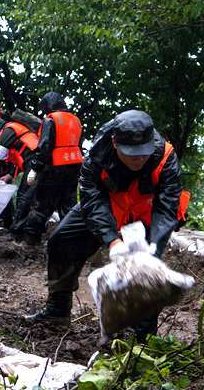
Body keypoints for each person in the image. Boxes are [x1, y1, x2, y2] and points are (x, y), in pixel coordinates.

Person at [25, 110, 189, 336]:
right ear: (115, 143)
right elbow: (91, 199)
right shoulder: (96, 156)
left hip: (145, 212)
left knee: (147, 272)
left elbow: (167, 206)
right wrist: (112, 240)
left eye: (143, 153)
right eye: (131, 154)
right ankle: (57, 310)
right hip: (107, 206)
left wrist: (152, 250)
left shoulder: (165, 156)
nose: (138, 159)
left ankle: (141, 338)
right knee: (61, 240)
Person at [20, 92, 84, 243]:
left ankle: (31, 240)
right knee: (68, 206)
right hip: (74, 167)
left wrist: (35, 168)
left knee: (41, 205)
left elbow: (45, 146)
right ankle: (72, 241)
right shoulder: (76, 120)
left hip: (54, 168)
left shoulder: (51, 120)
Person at [0, 115, 40, 242]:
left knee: (23, 196)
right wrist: (9, 175)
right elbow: (22, 155)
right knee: (34, 198)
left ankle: (16, 233)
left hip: (35, 162)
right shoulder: (14, 131)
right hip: (36, 161)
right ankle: (31, 232)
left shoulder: (7, 131)